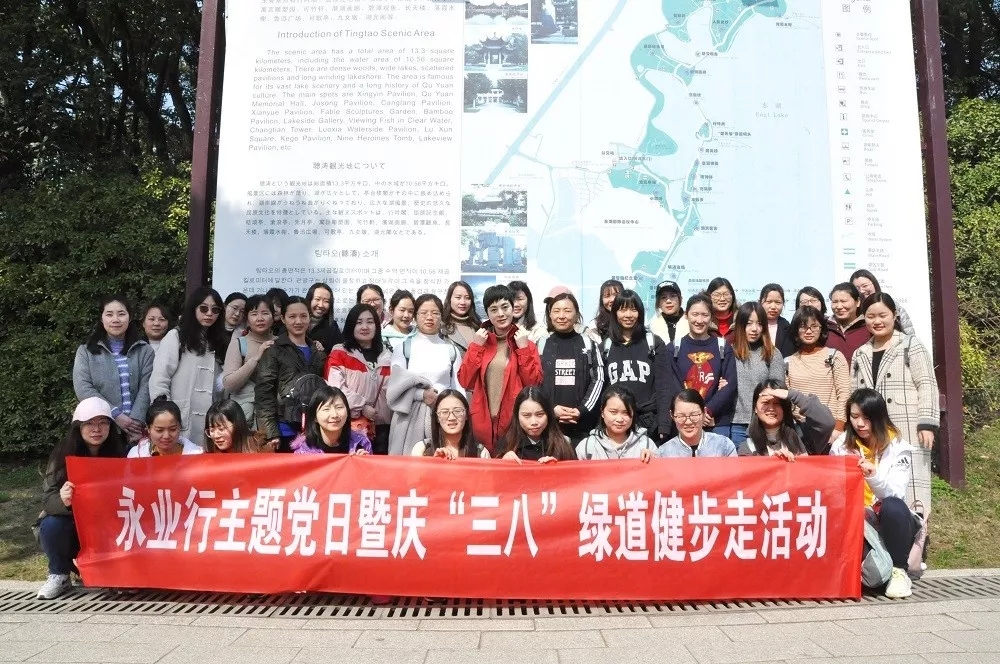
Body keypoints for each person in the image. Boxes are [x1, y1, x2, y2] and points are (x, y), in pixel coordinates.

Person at [852, 293, 939, 508]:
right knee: (877, 480)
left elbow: (927, 384)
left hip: (906, 424)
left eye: (883, 315)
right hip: (872, 428)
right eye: (871, 316)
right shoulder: (860, 353)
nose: (877, 321)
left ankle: (916, 525)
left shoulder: (910, 345)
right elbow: (854, 395)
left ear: (894, 315)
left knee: (912, 481)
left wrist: (926, 423)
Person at [36, 397, 128, 599]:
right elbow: (48, 499)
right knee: (51, 524)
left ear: (111, 426)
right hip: (74, 523)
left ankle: (117, 572)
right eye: (89, 423)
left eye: (103, 422)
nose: (96, 429)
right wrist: (63, 500)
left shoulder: (121, 451)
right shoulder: (63, 452)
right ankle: (59, 574)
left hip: (110, 523)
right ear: (78, 427)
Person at [831, 389, 918, 599]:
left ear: (879, 417)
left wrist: (873, 477)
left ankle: (899, 570)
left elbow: (895, 493)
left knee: (893, 506)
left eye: (867, 417)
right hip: (855, 518)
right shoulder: (841, 445)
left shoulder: (898, 447)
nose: (860, 424)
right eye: (854, 417)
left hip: (886, 516)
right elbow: (832, 487)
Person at [457, 284, 543, 454]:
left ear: (513, 308)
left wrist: (523, 349)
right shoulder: (480, 343)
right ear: (487, 314)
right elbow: (465, 381)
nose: (501, 314)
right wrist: (476, 347)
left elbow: (533, 384)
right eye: (494, 309)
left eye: (505, 307)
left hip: (514, 424)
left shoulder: (527, 344)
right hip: (482, 422)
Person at [149, 286, 227, 447]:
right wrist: (164, 413)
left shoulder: (220, 341)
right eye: (203, 308)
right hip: (180, 418)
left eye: (215, 310)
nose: (209, 314)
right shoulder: (176, 336)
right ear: (193, 309)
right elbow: (160, 378)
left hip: (213, 423)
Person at [387, 294, 462, 455]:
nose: (429, 317)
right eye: (423, 313)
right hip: (409, 418)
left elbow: (458, 389)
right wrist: (422, 395)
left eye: (435, 313)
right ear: (415, 317)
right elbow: (395, 388)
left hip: (444, 417)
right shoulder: (403, 348)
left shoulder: (451, 350)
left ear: (441, 316)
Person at [72, 295, 154, 443]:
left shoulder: (144, 350)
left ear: (129, 318)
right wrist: (115, 415)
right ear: (101, 318)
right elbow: (83, 388)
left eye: (121, 314)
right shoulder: (86, 352)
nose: (115, 319)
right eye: (109, 314)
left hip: (136, 430)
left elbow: (147, 386)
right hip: (102, 428)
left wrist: (135, 423)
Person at [601, 289, 678, 441]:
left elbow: (664, 386)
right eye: (623, 310)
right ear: (615, 313)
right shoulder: (606, 346)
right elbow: (602, 389)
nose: (628, 315)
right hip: (617, 423)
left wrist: (664, 424)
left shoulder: (654, 343)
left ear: (640, 313)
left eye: (633, 309)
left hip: (649, 423)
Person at [255, 296, 328, 452]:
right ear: (283, 318)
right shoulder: (274, 351)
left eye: (303, 316)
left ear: (309, 317)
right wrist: (270, 432)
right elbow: (264, 393)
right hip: (283, 430)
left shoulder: (318, 352)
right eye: (292, 316)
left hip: (314, 430)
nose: (298, 321)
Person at [536, 291, 604, 444]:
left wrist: (581, 410)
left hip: (583, 427)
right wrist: (551, 409)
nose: (561, 316)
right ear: (550, 314)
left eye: (567, 311)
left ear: (577, 314)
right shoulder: (541, 344)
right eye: (556, 311)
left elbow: (598, 379)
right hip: (548, 426)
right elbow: (534, 381)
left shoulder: (588, 344)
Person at [326, 303, 392, 454]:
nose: (365, 327)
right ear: (351, 326)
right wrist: (361, 406)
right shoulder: (339, 353)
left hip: (383, 427)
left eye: (370, 322)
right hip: (351, 425)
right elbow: (335, 389)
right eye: (359, 322)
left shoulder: (388, 356)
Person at [668, 293, 737, 439]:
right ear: (686, 315)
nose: (699, 320)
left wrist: (707, 411)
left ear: (711, 317)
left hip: (715, 422)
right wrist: (692, 414)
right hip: (685, 422)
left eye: (705, 315)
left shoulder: (723, 347)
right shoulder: (674, 348)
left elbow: (730, 385)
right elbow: (673, 385)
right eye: (695, 314)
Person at [785, 305, 850, 449]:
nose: (809, 331)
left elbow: (844, 394)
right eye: (803, 327)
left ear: (821, 329)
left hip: (831, 431)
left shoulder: (834, 356)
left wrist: (839, 427)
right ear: (796, 330)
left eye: (814, 326)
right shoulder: (788, 362)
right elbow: (788, 400)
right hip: (800, 432)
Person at [729, 302, 786, 445]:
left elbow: (777, 389)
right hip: (737, 423)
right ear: (740, 325)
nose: (754, 329)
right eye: (749, 323)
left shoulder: (772, 353)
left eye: (759, 324)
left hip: (764, 423)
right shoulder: (730, 352)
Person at [738, 382, 836, 458]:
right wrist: (773, 463)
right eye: (766, 402)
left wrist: (792, 395)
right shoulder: (748, 447)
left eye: (777, 403)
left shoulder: (804, 435)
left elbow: (827, 423)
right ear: (755, 408)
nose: (771, 408)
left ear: (785, 408)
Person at [222, 294, 276, 422]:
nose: (260, 318)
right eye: (254, 314)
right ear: (246, 319)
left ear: (273, 317)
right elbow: (229, 385)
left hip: (274, 415)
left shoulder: (281, 343)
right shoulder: (239, 343)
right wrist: (255, 359)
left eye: (265, 313)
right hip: (244, 418)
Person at [576, 386, 657, 461]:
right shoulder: (587, 447)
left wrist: (653, 459)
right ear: (602, 412)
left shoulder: (647, 445)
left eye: (625, 413)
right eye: (613, 412)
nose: (619, 419)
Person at [499, 387, 577, 463]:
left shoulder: (563, 445)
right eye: (526, 415)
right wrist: (504, 463)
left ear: (548, 414)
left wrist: (556, 467)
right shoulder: (506, 445)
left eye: (540, 414)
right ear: (517, 416)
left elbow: (574, 470)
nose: (534, 422)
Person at [290, 385, 372, 454]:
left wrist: (364, 463)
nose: (334, 415)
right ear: (315, 417)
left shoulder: (361, 443)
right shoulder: (304, 450)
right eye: (326, 409)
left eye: (339, 407)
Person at [657, 390, 738, 457]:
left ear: (704, 413)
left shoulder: (724, 446)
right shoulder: (664, 453)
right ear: (672, 415)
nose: (688, 422)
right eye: (681, 416)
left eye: (694, 415)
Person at [411, 389, 490, 459]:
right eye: (445, 412)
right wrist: (435, 462)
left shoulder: (481, 453)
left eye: (457, 411)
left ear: (466, 415)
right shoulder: (422, 449)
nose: (451, 418)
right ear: (437, 417)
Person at [127, 399, 204, 457]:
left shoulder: (197, 455)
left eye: (173, 429)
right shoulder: (136, 455)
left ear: (180, 427)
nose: (166, 436)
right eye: (159, 430)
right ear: (148, 429)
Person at [851, 269, 916, 335]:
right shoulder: (853, 309)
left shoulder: (891, 303)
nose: (861, 291)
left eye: (865, 286)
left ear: (874, 284)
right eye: (857, 288)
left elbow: (908, 331)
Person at [827, 282, 871, 363]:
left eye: (844, 301)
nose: (839, 306)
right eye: (835, 302)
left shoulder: (869, 327)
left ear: (857, 302)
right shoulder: (824, 327)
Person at [442, 280, 482, 353]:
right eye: (458, 297)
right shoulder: (441, 326)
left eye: (467, 298)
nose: (463, 302)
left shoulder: (478, 325)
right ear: (449, 299)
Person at [759, 283, 796, 358]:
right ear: (760, 302)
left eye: (778, 302)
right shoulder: (752, 326)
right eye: (769, 302)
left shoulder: (788, 329)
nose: (773, 307)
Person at [648, 280, 689, 346]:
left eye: (672, 296)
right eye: (663, 297)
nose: (668, 301)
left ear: (680, 299)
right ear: (658, 303)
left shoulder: (691, 322)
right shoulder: (651, 327)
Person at [305, 282, 344, 352]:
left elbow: (339, 352)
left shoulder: (332, 327)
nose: (321, 305)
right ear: (309, 300)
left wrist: (323, 351)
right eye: (317, 299)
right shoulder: (298, 322)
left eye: (326, 301)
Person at [584, 278, 623, 342]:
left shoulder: (631, 320)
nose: (612, 300)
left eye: (616, 295)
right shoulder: (595, 326)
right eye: (607, 296)